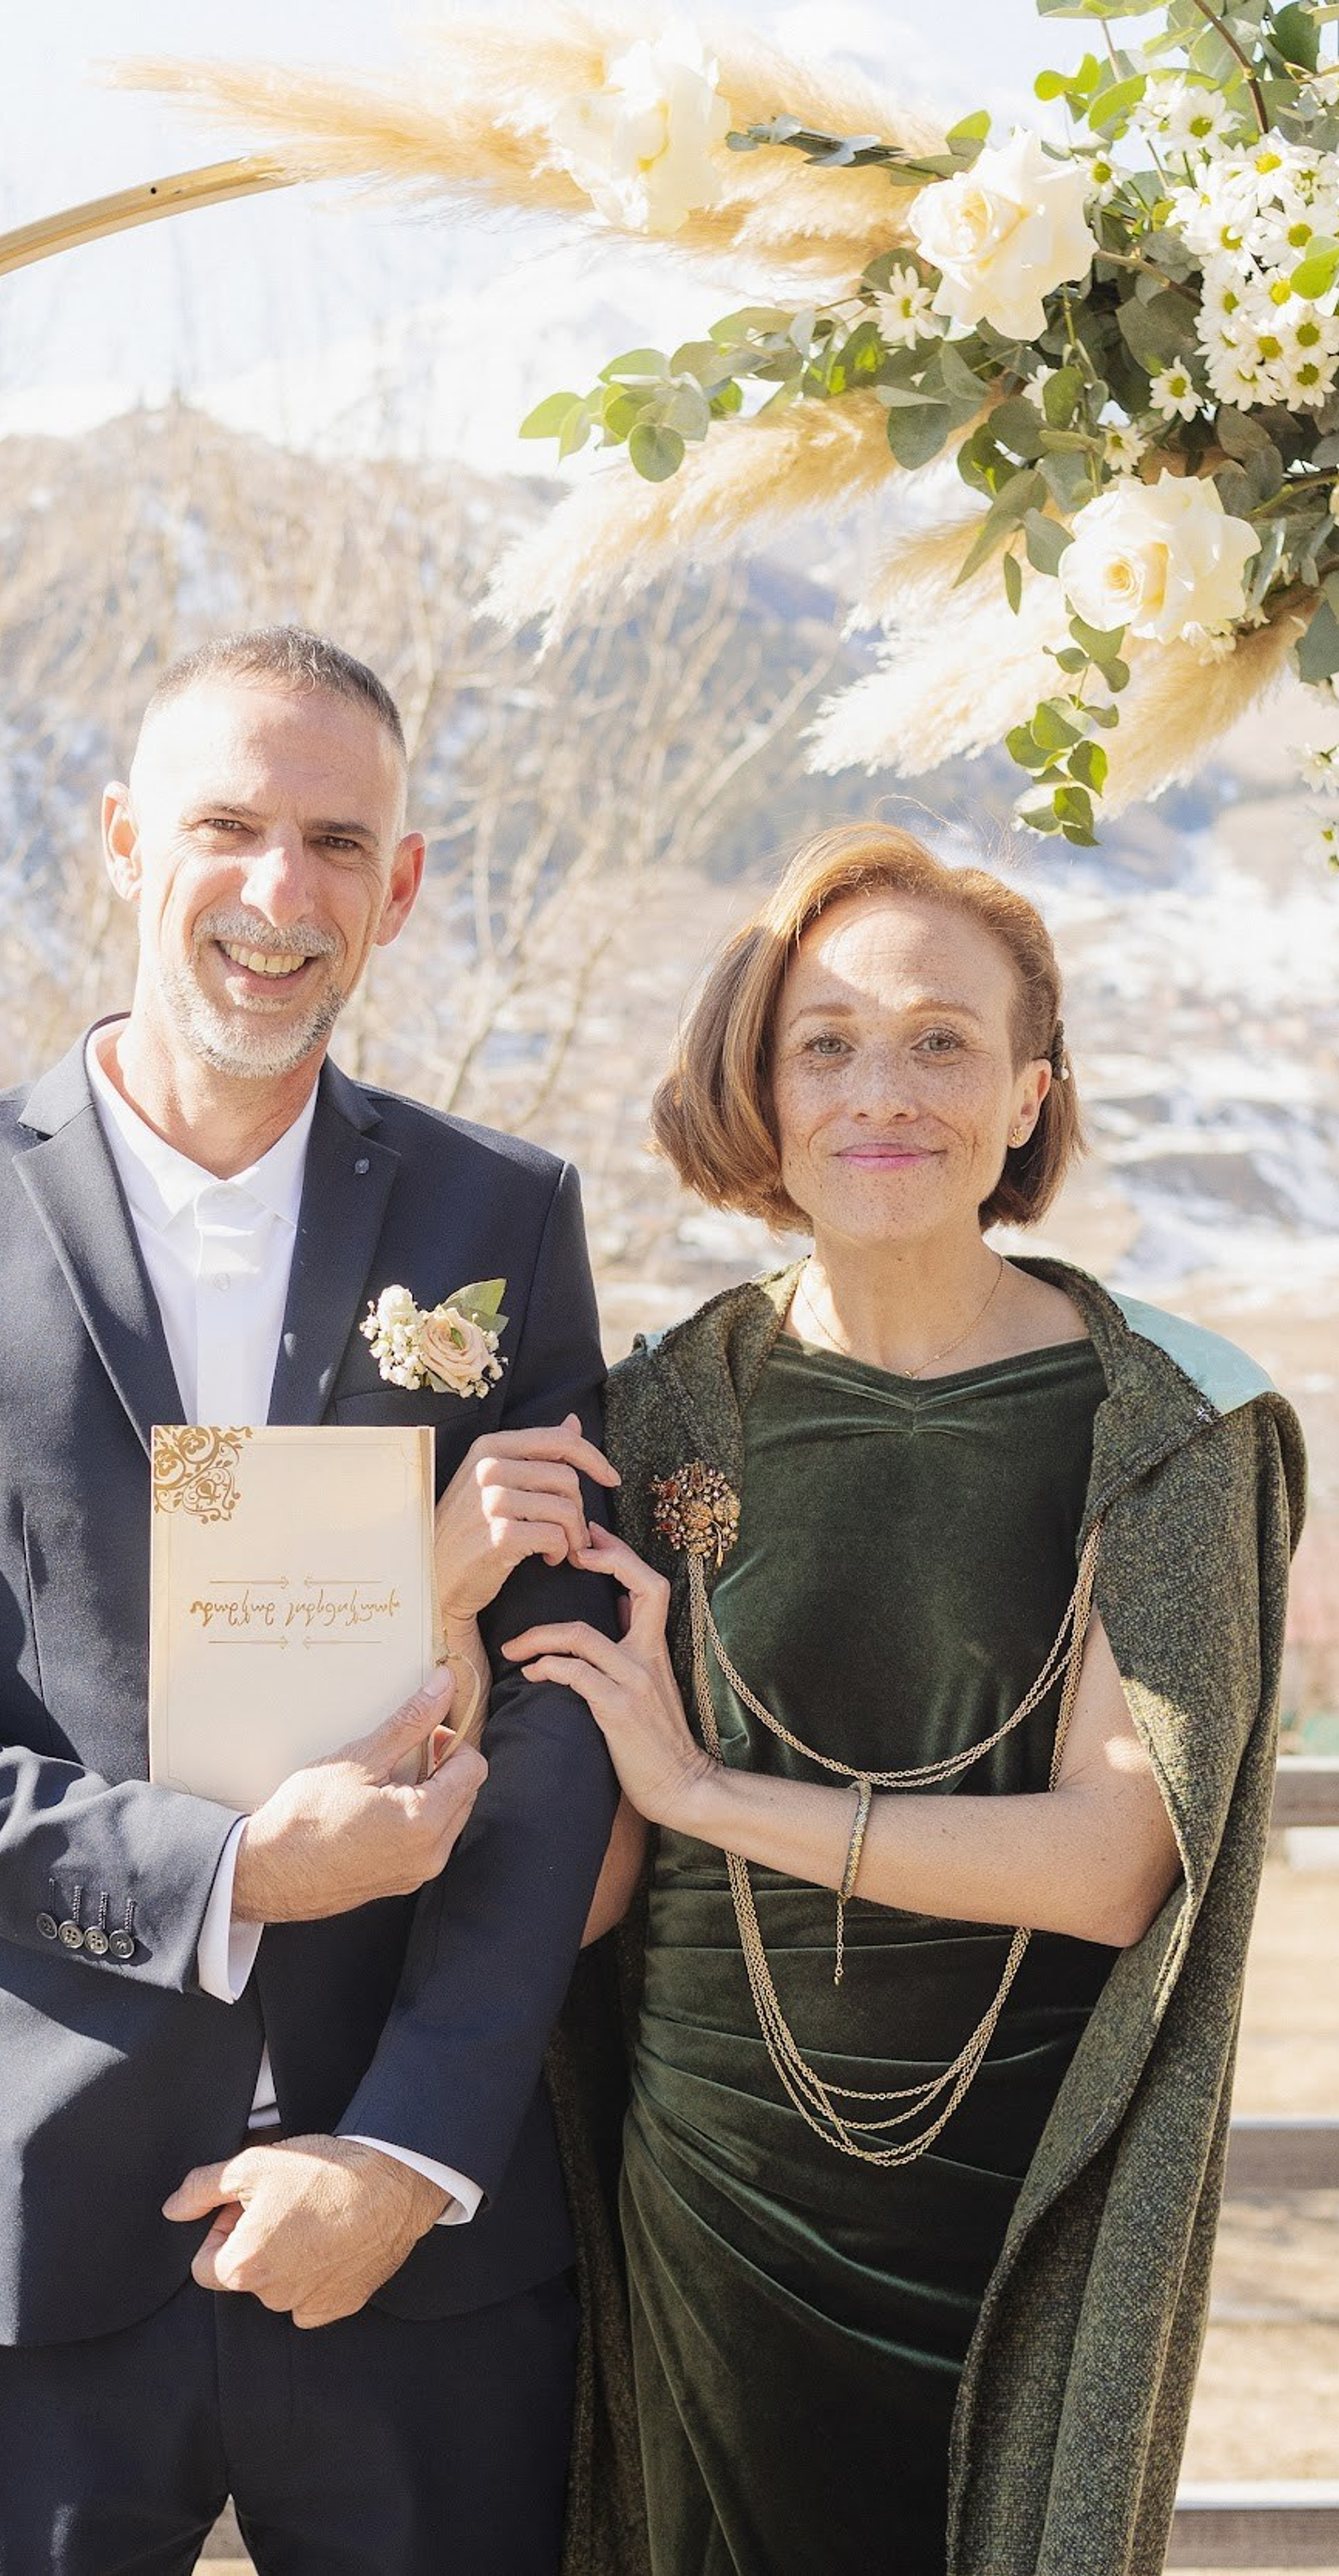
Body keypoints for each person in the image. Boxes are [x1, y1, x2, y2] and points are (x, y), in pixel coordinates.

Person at [0, 626, 623, 2576]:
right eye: (227, 825)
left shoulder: (503, 1220)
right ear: (125, 842)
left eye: (334, 839)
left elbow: (565, 1711)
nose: (276, 894)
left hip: (419, 2251)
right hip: (18, 2243)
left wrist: (406, 2149)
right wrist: (220, 1875)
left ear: (401, 883)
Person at [442, 825, 1305, 2576]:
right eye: (823, 1043)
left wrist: (718, 1799)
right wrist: (451, 1628)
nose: (878, 1091)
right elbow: (583, 1868)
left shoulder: (1168, 1427)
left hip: (1022, 2192)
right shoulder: (661, 1410)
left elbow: (1112, 1866)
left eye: (940, 1041)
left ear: (1026, 1093)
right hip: (711, 2191)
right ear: (760, 1090)